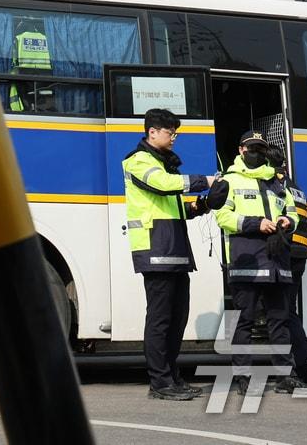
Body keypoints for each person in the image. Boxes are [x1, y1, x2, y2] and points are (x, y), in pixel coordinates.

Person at [123, 108, 216, 400]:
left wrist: (202, 206)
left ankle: (172, 377)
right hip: (156, 249)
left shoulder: (164, 164)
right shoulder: (138, 161)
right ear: (152, 131)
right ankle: (160, 383)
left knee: (177, 319)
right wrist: (206, 181)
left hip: (173, 249)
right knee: (161, 319)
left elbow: (175, 208)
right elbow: (163, 187)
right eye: (169, 131)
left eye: (174, 131)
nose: (173, 136)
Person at [213, 131, 305, 394]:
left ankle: (284, 376)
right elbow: (223, 217)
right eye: (251, 148)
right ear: (241, 150)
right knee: (244, 322)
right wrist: (255, 224)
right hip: (247, 260)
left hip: (277, 260)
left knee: (280, 320)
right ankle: (243, 377)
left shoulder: (277, 182)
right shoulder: (229, 180)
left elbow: (291, 212)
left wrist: (287, 222)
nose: (256, 153)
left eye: (260, 149)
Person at [266, 143, 307, 384]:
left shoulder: (274, 185)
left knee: (283, 313)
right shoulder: (295, 187)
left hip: (286, 252)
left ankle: (299, 369)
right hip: (300, 252)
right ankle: (305, 367)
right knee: (290, 311)